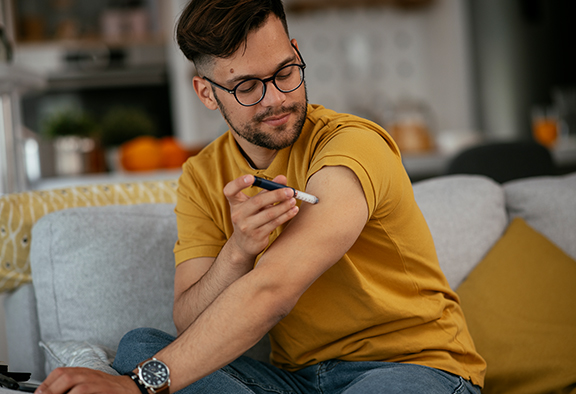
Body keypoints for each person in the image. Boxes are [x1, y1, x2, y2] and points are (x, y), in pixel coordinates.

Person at [36, 0, 486, 393]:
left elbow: (274, 291)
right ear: (206, 93)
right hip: (299, 381)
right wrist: (238, 251)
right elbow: (189, 323)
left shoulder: (351, 145)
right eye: (247, 86)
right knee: (142, 345)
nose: (276, 99)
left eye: (286, 72)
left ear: (296, 52)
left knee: (147, 370)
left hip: (412, 369)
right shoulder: (202, 175)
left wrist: (139, 385)